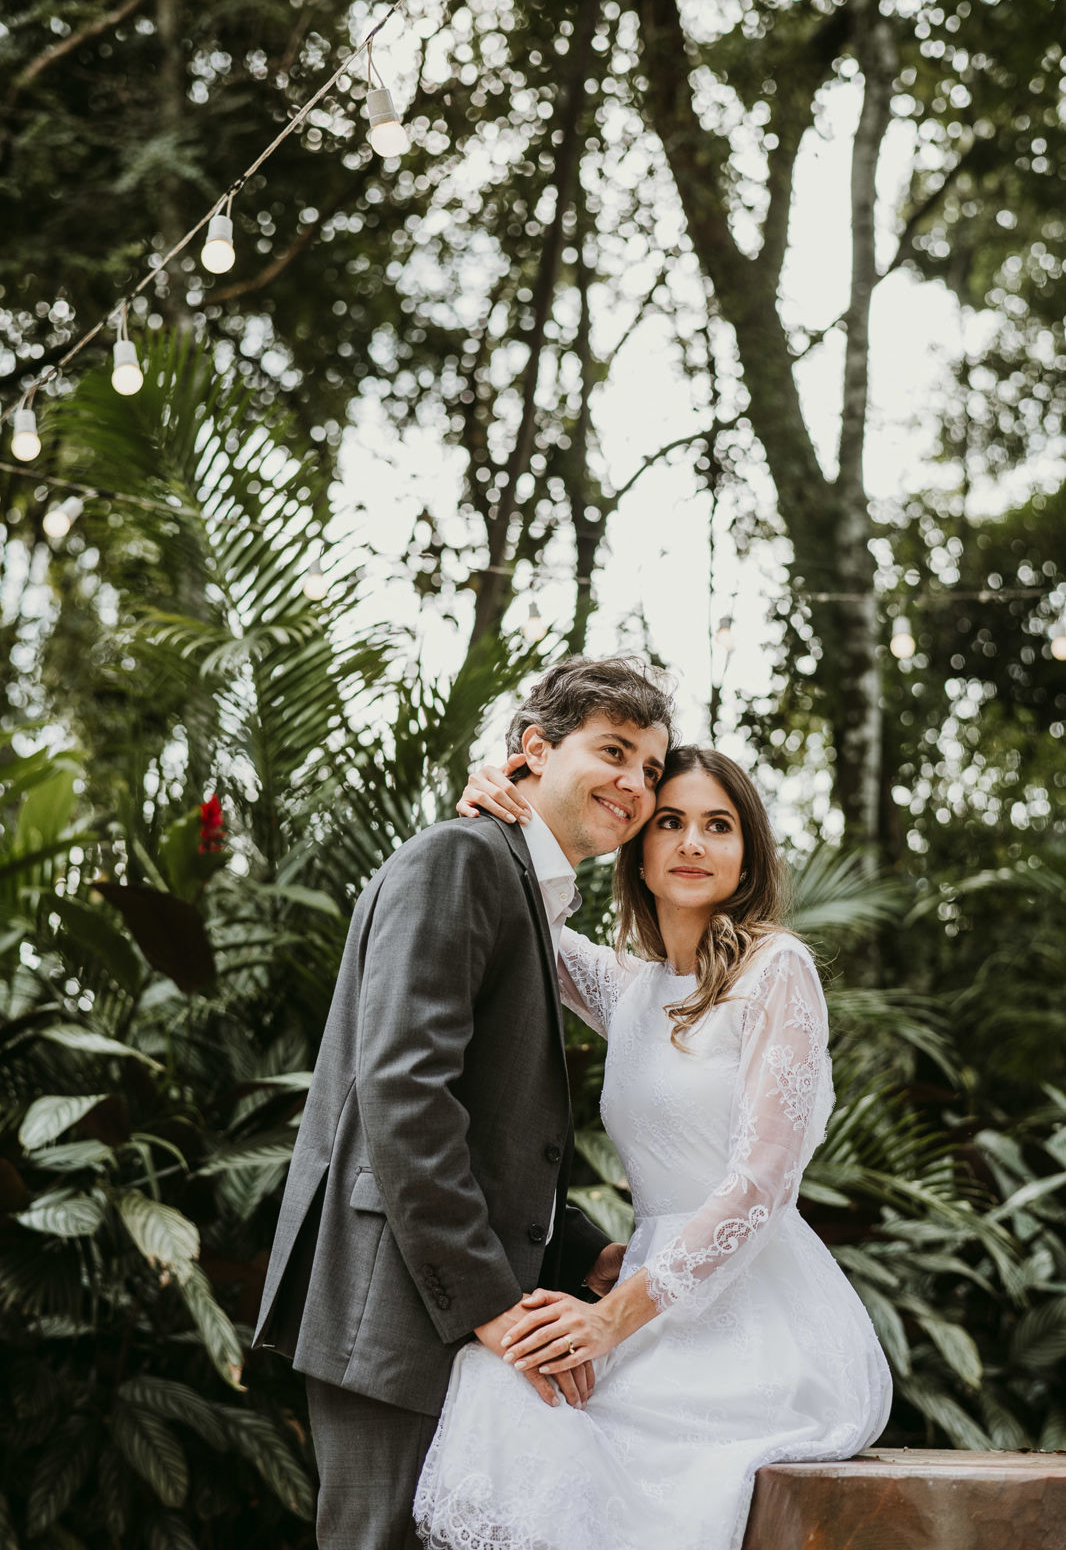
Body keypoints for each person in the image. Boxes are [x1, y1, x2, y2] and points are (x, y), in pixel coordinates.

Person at [414, 745, 892, 1550]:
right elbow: (531, 914)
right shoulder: (628, 988)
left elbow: (762, 1186)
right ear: (637, 843)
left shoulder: (778, 971)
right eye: (669, 822)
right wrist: (507, 804)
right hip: (640, 1288)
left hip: (756, 1309)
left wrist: (608, 1323)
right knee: (503, 1385)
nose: (693, 843)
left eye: (719, 825)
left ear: (748, 855)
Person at [252, 656, 674, 1548]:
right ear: (534, 750)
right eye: (614, 751)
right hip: (401, 1308)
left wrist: (586, 1255)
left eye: (650, 769)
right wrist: (486, 1299)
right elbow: (406, 1096)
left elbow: (491, 1127)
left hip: (440, 1306)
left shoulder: (524, 888)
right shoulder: (461, 859)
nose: (635, 784)